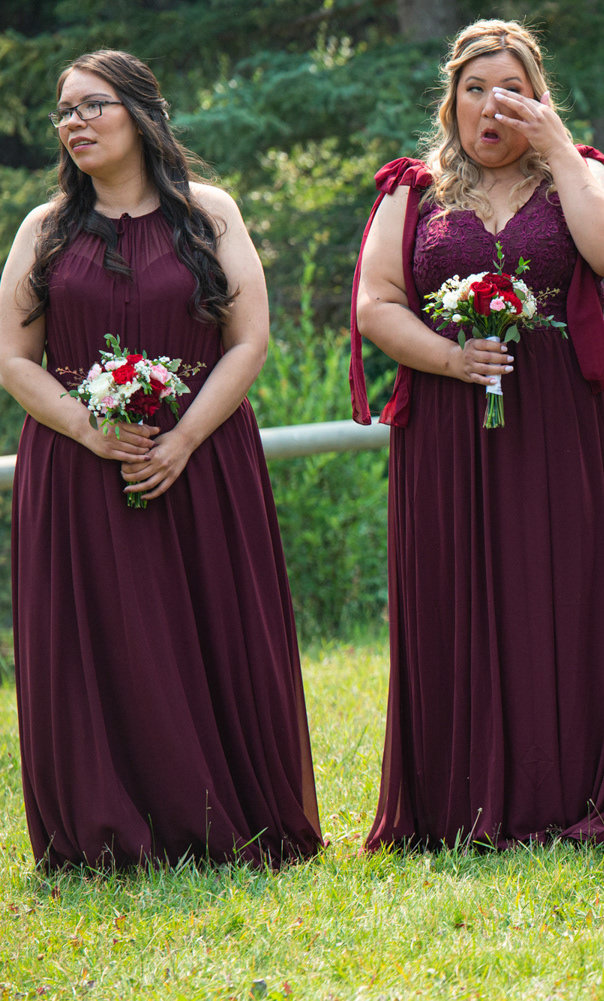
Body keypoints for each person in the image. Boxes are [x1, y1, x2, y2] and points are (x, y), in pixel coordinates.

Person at [0, 49, 321, 868]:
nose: (74, 123)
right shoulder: (45, 230)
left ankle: (226, 812)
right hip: (77, 465)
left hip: (201, 460)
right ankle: (103, 824)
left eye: (91, 106)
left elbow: (248, 339)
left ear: (141, 113)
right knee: (96, 640)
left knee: (202, 629)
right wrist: (85, 426)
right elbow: (11, 357)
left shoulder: (210, 213)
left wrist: (182, 438)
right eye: (63, 112)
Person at [352, 19, 604, 850]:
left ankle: (579, 781)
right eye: (475, 89)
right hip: (449, 423)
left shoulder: (585, 176)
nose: (493, 106)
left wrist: (562, 150)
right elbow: (378, 304)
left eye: (514, 91)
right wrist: (451, 359)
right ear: (450, 100)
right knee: (459, 587)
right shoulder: (411, 190)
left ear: (541, 100)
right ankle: (462, 794)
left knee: (569, 587)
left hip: (565, 417)